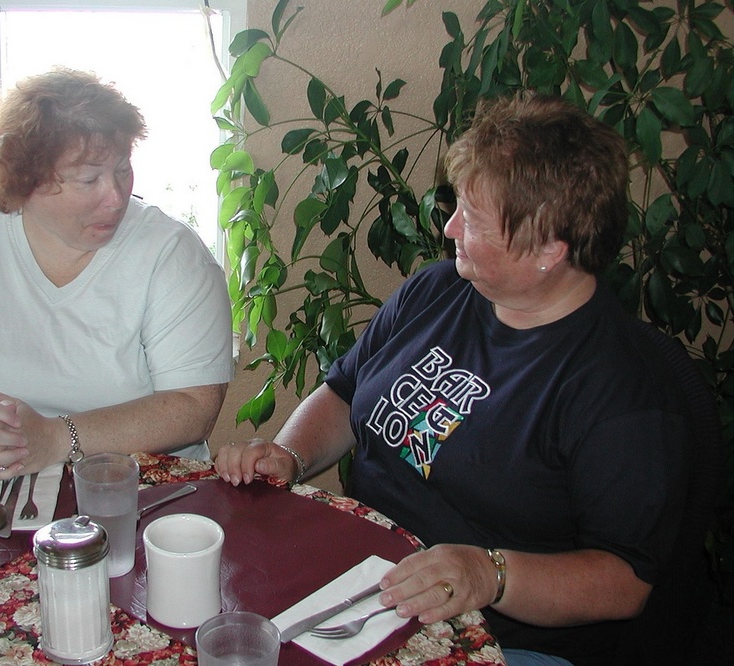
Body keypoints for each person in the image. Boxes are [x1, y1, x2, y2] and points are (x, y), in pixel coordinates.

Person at [214, 92, 689, 666]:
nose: (450, 228)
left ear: (548, 249)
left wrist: (490, 573)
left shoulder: (621, 391)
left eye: (474, 218)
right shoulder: (437, 290)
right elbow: (344, 391)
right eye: (456, 205)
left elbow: (624, 580)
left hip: (501, 636)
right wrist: (287, 457)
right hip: (365, 586)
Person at [0, 68, 233, 479]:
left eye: (123, 169)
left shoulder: (174, 255)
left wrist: (56, 439)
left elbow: (193, 406)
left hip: (139, 491)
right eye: (89, 178)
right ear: (26, 181)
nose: (116, 196)